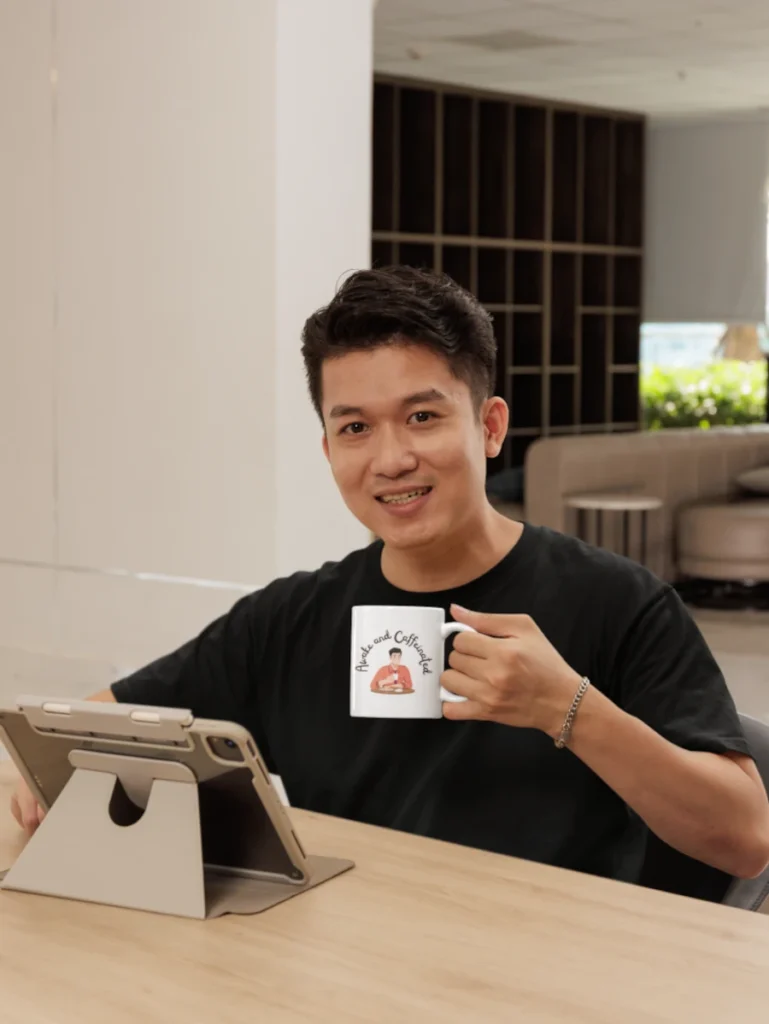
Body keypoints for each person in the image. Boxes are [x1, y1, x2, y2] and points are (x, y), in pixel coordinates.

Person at [11, 267, 769, 893]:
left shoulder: (615, 601)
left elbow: (744, 840)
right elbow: (85, 730)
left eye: (421, 417)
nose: (390, 459)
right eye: (355, 428)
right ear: (328, 448)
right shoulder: (290, 619)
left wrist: (564, 707)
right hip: (342, 966)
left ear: (490, 425)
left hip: (544, 979)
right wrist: (56, 781)